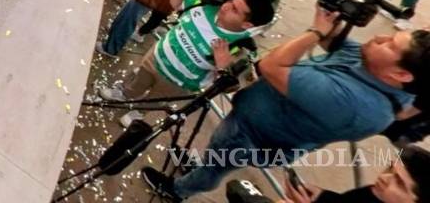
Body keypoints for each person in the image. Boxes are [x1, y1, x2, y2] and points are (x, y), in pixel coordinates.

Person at [143, 13, 429, 201]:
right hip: (253, 122)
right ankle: (199, 170)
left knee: (219, 165)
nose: (380, 38)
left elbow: (271, 66)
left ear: (401, 75)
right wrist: (335, 11)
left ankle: (179, 190)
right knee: (217, 154)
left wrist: (315, 30)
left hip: (254, 137)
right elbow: (338, 42)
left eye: (390, 44)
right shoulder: (373, 66)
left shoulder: (357, 104)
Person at [100, 0, 275, 127]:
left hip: (177, 84)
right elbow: (175, 3)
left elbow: (233, 86)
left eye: (235, 10)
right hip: (155, 57)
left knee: (156, 100)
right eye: (231, 0)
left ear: (247, 24)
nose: (226, 6)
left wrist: (223, 65)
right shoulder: (206, 4)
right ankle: (123, 93)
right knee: (137, 79)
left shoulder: (242, 47)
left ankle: (138, 112)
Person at [278, 143, 430, 202]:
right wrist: (321, 196)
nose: (384, 177)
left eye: (399, 183)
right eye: (390, 168)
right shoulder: (377, 193)